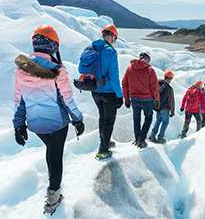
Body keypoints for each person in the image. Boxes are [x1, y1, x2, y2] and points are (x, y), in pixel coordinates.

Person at [12, 25, 84, 214]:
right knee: (56, 156)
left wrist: (18, 125)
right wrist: (78, 119)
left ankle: (53, 191)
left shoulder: (22, 69)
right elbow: (66, 99)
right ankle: (53, 198)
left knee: (50, 151)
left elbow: (19, 101)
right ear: (53, 46)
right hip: (57, 124)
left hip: (36, 125)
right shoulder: (57, 69)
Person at [89, 24, 123, 160]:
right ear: (113, 36)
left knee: (102, 117)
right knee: (109, 120)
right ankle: (103, 150)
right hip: (108, 92)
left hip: (95, 90)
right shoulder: (110, 51)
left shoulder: (93, 47)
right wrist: (119, 95)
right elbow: (114, 75)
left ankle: (105, 142)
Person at [122, 52, 160, 148]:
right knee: (149, 118)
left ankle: (137, 138)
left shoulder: (130, 68)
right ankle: (141, 139)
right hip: (147, 100)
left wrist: (126, 99)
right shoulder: (150, 70)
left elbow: (124, 84)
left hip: (134, 99)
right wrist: (156, 99)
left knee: (136, 119)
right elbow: (154, 87)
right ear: (147, 59)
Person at [149, 70, 175, 144]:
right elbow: (171, 101)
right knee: (165, 122)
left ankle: (152, 136)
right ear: (170, 78)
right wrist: (172, 112)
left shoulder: (157, 84)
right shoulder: (169, 88)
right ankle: (160, 138)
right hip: (165, 108)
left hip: (157, 108)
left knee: (158, 121)